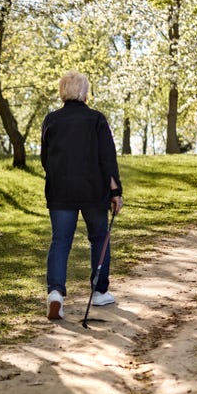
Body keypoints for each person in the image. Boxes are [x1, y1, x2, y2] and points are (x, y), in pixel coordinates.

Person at [41, 71, 123, 321]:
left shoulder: (51, 120)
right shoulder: (96, 119)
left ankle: (55, 293)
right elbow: (107, 158)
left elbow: (45, 158)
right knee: (99, 237)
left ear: (62, 91)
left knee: (61, 241)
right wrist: (115, 191)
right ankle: (99, 291)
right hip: (92, 190)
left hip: (60, 190)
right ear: (84, 93)